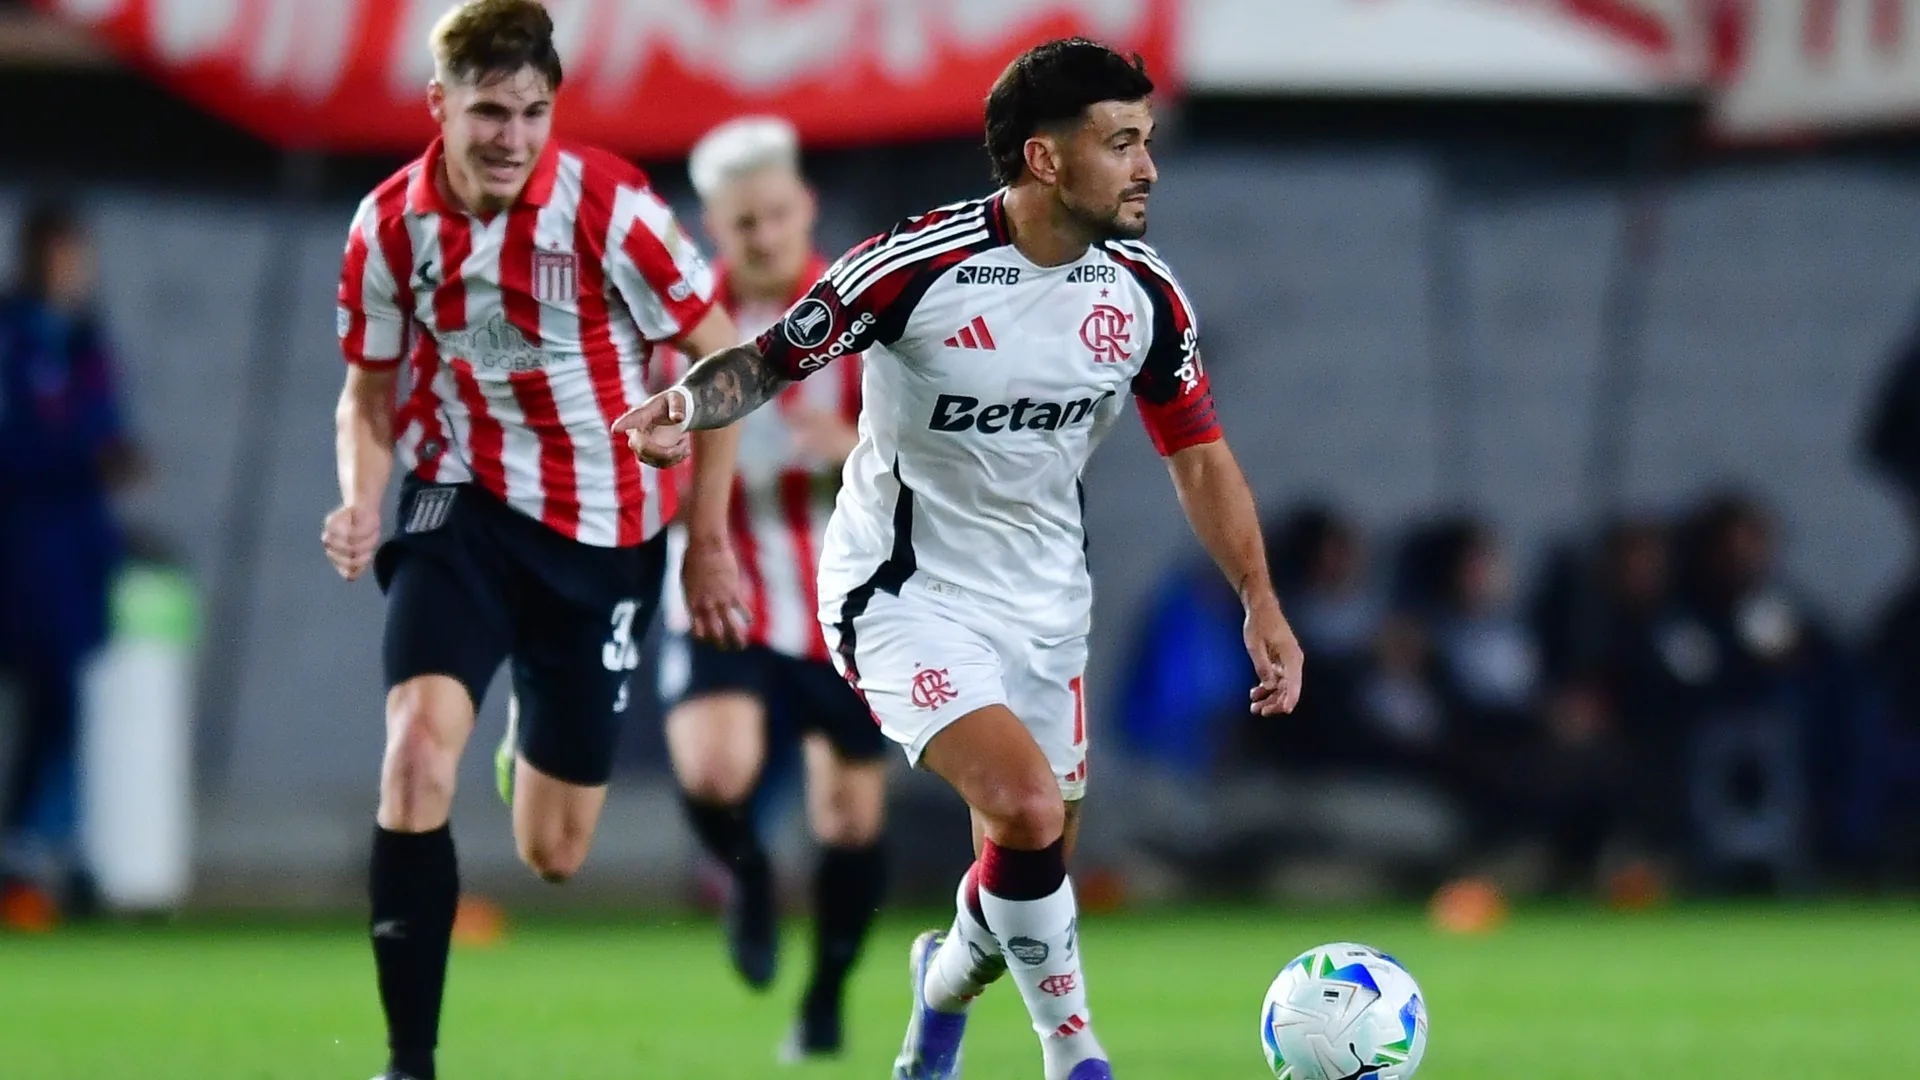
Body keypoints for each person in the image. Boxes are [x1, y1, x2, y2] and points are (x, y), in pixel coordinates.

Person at [614, 38, 1303, 1080]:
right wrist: (684, 403)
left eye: (1147, 141)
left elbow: (1199, 457)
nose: (1148, 168)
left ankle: (937, 990)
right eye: (1121, 143)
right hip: (901, 596)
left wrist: (1258, 596)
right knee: (1025, 810)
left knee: (1030, 861)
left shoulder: (1145, 295)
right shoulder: (915, 266)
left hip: (1047, 608)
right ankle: (1075, 1054)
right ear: (1044, 158)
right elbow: (768, 358)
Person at [321, 4, 744, 1078]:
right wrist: (362, 498)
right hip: (456, 505)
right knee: (415, 753)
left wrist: (706, 540)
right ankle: (408, 1061)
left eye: (532, 113)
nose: (512, 137)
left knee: (555, 852)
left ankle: (530, 744)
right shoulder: (389, 225)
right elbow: (367, 395)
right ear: (439, 106)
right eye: (488, 113)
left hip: (602, 532)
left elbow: (728, 363)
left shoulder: (611, 208)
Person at [647, 116, 888, 1060]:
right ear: (713, 225)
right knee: (714, 770)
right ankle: (746, 874)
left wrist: (857, 447)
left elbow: (935, 455)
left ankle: (825, 996)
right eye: (743, 221)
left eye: (777, 214)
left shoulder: (860, 314)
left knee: (850, 818)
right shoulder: (678, 326)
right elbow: (634, 451)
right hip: (721, 584)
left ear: (806, 207)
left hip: (844, 598)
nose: (764, 236)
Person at [0, 203, 143, 929]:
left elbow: (107, 426)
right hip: (22, 544)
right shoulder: (14, 338)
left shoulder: (86, 341)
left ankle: (51, 852)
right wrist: (82, 458)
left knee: (66, 700)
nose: (69, 271)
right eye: (57, 256)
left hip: (79, 550)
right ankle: (30, 852)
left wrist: (114, 457)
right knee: (47, 695)